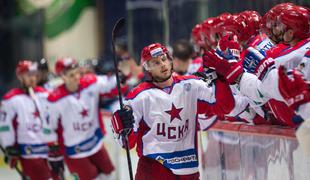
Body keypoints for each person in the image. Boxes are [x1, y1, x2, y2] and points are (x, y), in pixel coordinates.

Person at [111, 43, 235, 179]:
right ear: (148, 69)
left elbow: (225, 107)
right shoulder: (138, 97)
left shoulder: (192, 86)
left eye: (164, 59)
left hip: (188, 170)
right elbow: (127, 143)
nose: (162, 64)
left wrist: (220, 79)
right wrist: (121, 127)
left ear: (170, 60)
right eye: (156, 63)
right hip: (154, 170)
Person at [46, 57, 119, 180]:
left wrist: (121, 77)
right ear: (63, 77)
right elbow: (49, 127)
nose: (76, 77)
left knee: (108, 173)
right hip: (73, 150)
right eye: (71, 75)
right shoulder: (55, 99)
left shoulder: (90, 82)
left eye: (77, 73)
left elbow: (111, 84)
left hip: (95, 142)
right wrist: (54, 152)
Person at [0, 60, 61, 180]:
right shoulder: (11, 99)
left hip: (49, 151)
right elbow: (5, 125)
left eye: (35, 74)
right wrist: (9, 146)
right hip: (29, 152)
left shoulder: (45, 95)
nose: (33, 78)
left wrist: (56, 139)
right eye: (29, 75)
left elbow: (54, 118)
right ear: (20, 76)